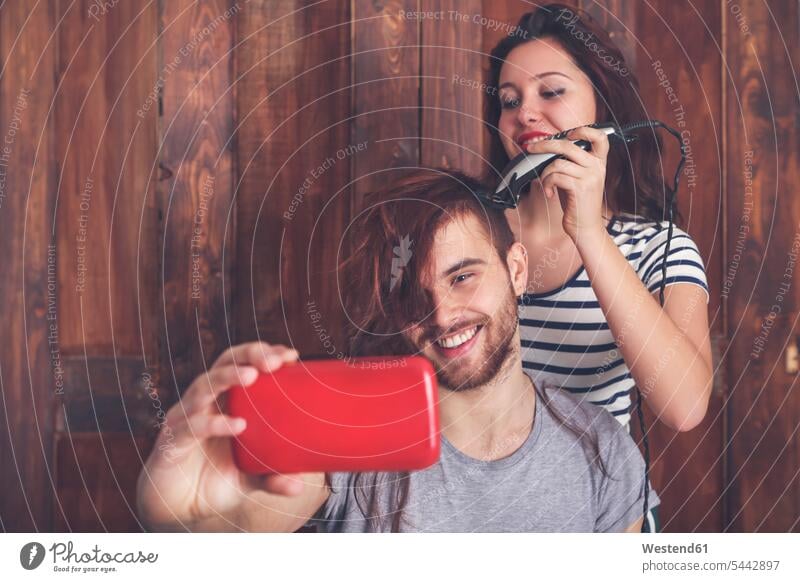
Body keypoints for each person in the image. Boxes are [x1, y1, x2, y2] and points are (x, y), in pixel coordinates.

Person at [136, 170, 656, 533]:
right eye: (413, 293)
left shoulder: (603, 453)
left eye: (462, 277)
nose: (443, 314)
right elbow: (238, 533)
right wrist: (180, 516)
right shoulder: (350, 436)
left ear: (516, 270)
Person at [483, 4, 714, 531]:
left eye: (552, 91)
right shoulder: (469, 232)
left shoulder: (660, 248)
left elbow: (684, 406)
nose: (525, 113)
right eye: (509, 100)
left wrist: (586, 231)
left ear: (602, 107)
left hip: (595, 512)